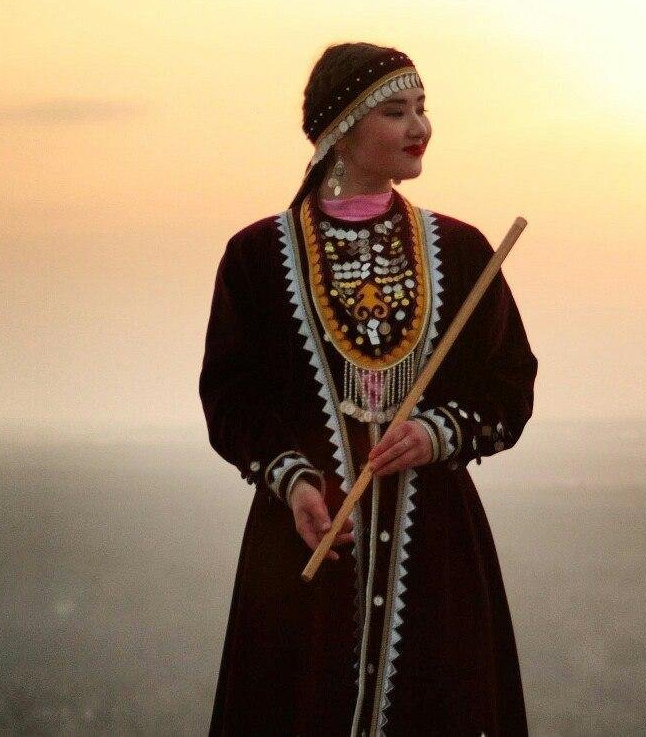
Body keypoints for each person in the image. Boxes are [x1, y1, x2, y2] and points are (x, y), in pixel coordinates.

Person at [200, 42, 538, 736]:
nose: (420, 127)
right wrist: (295, 480)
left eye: (422, 108)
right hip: (306, 545)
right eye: (396, 111)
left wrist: (439, 432)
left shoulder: (463, 251)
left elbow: (510, 383)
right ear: (342, 128)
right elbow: (230, 397)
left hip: (435, 554)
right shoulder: (256, 258)